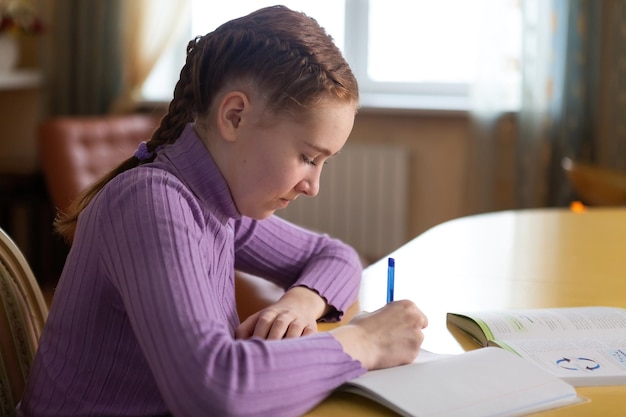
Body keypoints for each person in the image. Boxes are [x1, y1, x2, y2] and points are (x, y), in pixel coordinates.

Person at [18, 5, 428, 417]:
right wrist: (365, 342)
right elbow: (215, 392)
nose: (313, 186)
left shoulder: (220, 206)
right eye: (307, 156)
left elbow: (337, 256)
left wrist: (298, 304)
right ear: (235, 116)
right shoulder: (152, 202)